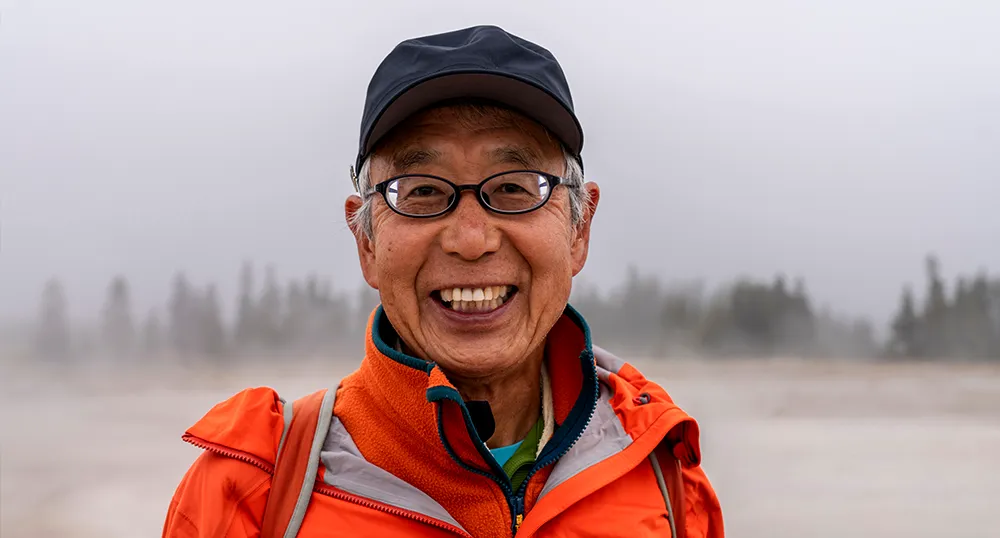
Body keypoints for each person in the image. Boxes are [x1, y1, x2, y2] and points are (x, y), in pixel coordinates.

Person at [162, 25, 724, 538]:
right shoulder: (253, 491)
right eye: (423, 191)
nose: (471, 240)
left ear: (579, 229)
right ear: (366, 242)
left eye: (514, 187)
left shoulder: (661, 471)